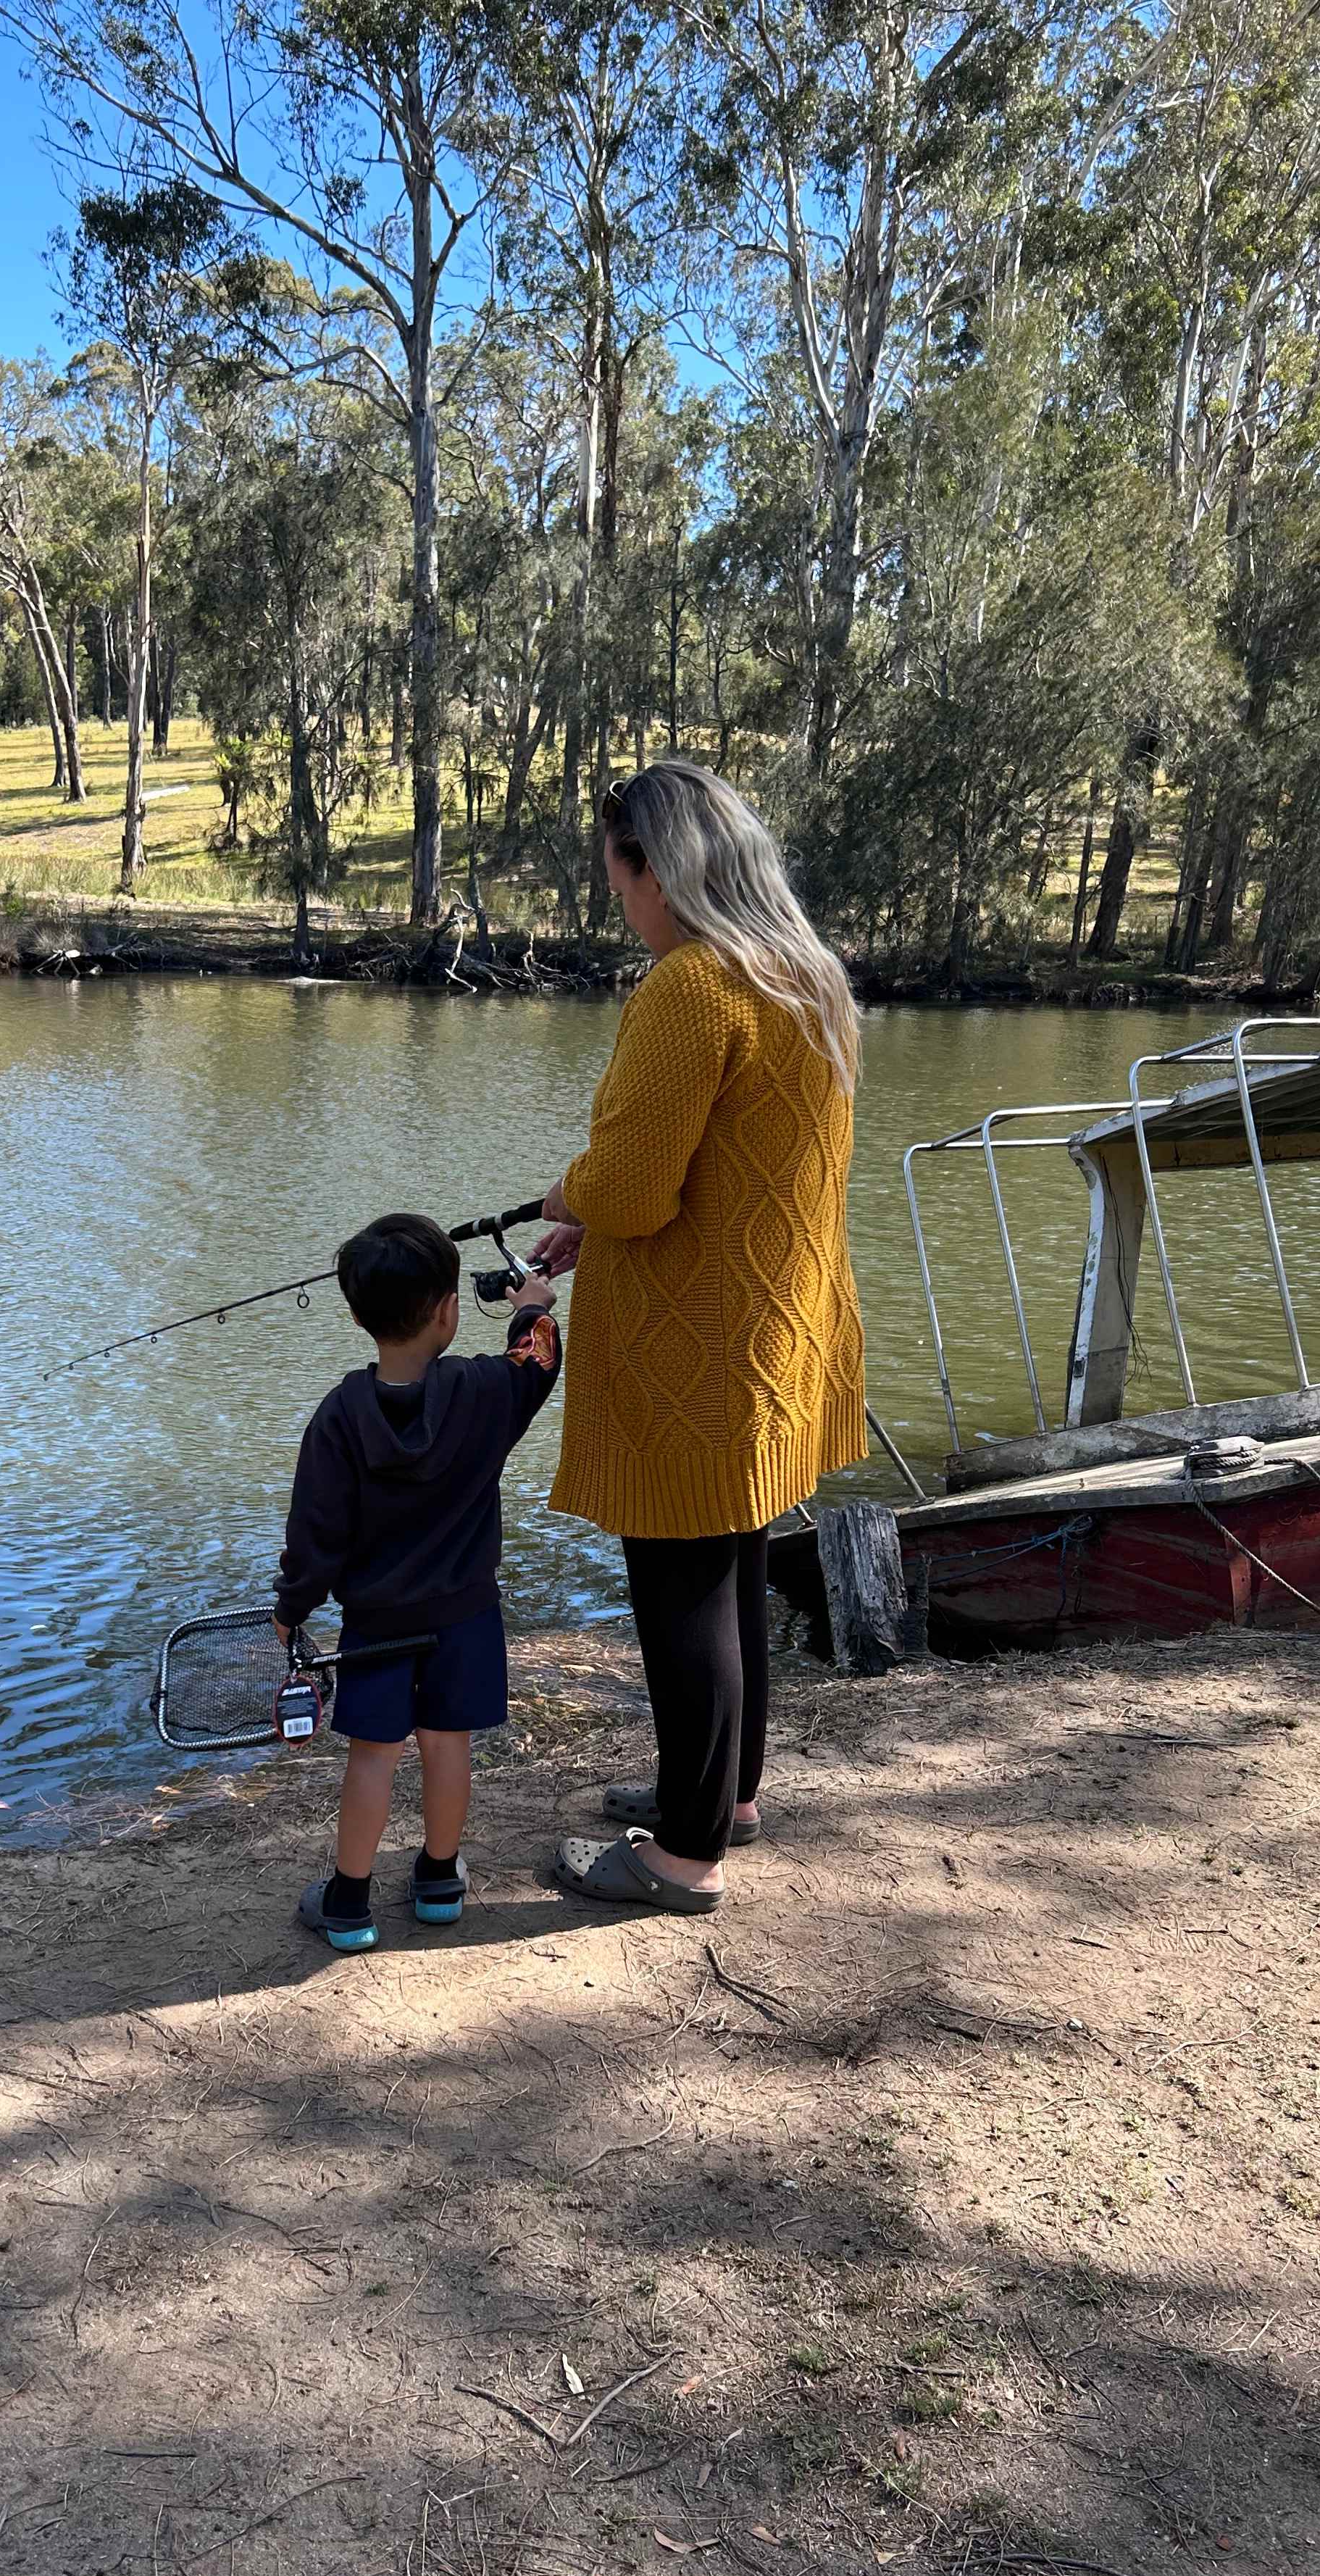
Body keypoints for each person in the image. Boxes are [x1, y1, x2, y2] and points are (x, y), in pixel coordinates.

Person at [530, 761, 866, 1915]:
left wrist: (567, 1197)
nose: (616, 898)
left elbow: (629, 1186)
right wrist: (601, 1215)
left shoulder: (689, 988)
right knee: (730, 1564)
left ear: (657, 870)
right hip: (774, 1332)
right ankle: (722, 1797)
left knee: (680, 1586)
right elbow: (727, 1174)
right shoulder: (808, 980)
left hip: (694, 1350)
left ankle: (680, 1856)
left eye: (617, 873)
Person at [274, 1211, 561, 1955]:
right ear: (448, 1310)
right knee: (447, 1743)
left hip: (376, 1622)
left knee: (373, 1754)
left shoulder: (338, 1416)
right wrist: (531, 1306)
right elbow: (539, 1360)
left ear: (358, 1315)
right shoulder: (485, 1392)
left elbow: (315, 1533)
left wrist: (292, 1606)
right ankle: (438, 1882)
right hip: (465, 1616)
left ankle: (348, 1902)